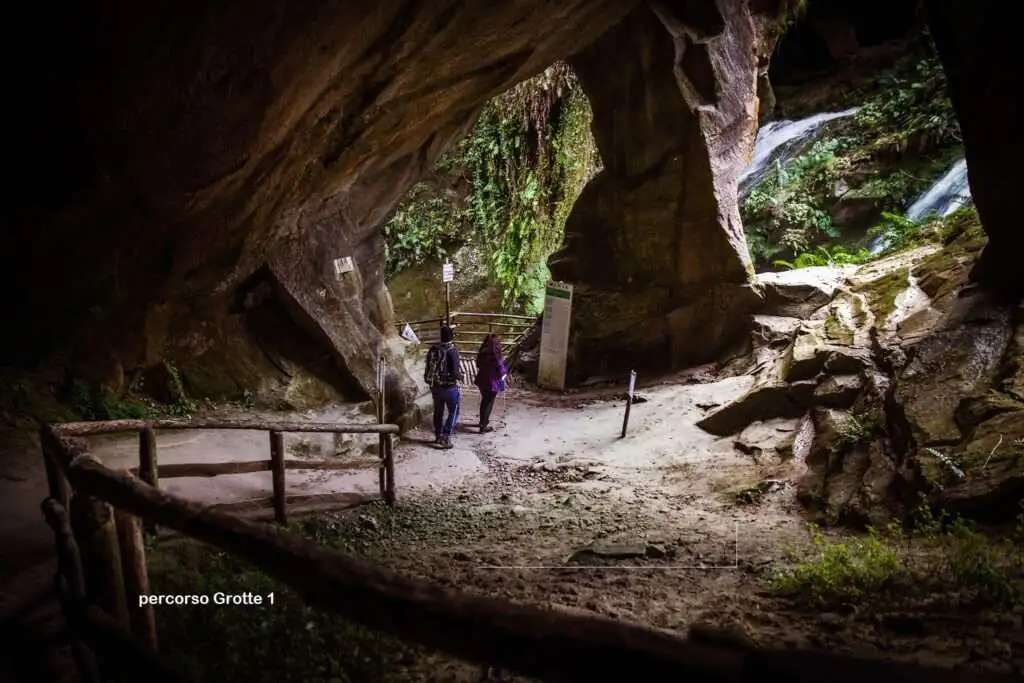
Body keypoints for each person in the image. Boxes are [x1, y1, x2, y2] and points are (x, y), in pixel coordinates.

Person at [424, 325, 463, 449]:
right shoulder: (452, 351)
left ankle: (438, 435)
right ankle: (446, 437)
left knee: (438, 411)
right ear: (452, 336)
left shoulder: (433, 349)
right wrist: (461, 377)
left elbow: (428, 367)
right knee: (454, 411)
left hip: (435, 386)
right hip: (449, 387)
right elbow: (455, 372)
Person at [474, 333, 508, 433]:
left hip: (481, 380)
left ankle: (482, 422)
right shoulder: (497, 357)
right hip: (492, 383)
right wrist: (504, 375)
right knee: (488, 402)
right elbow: (502, 371)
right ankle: (483, 425)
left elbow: (478, 365)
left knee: (484, 401)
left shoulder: (482, 353)